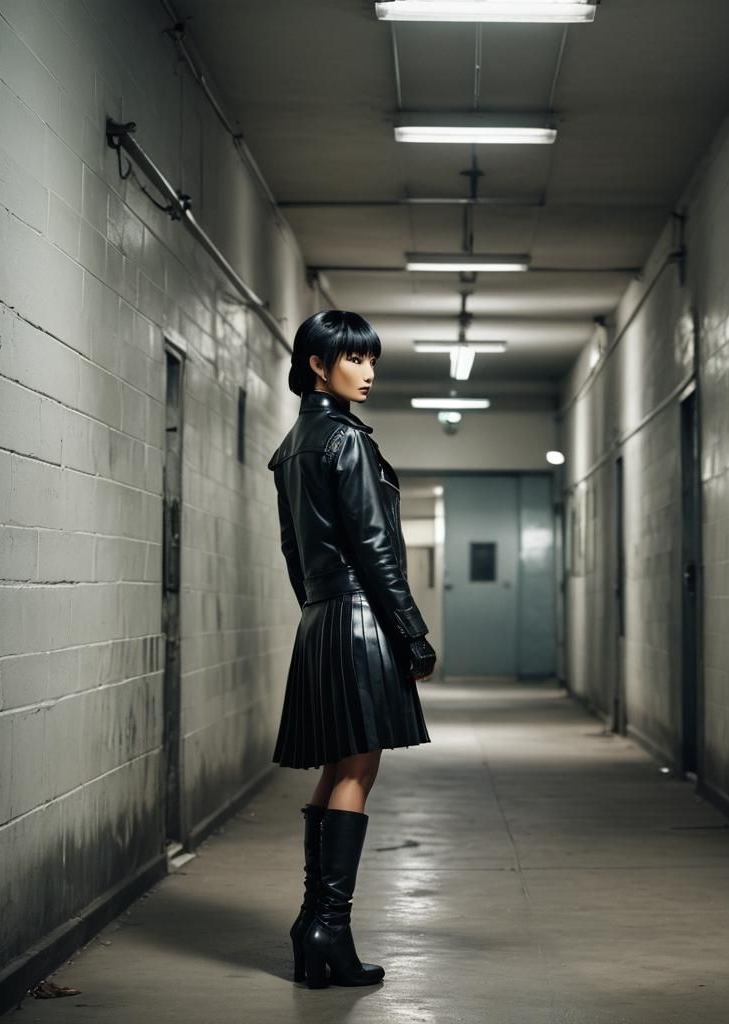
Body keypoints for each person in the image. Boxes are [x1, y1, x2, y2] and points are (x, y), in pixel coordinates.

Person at [267, 309, 437, 989]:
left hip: (321, 614)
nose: (367, 373)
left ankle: (318, 927)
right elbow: (374, 547)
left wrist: (318, 608)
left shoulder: (292, 446)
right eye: (355, 359)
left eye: (372, 361)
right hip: (361, 617)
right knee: (356, 771)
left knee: (340, 766)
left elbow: (292, 549)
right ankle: (326, 928)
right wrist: (412, 632)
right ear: (318, 363)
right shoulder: (345, 441)